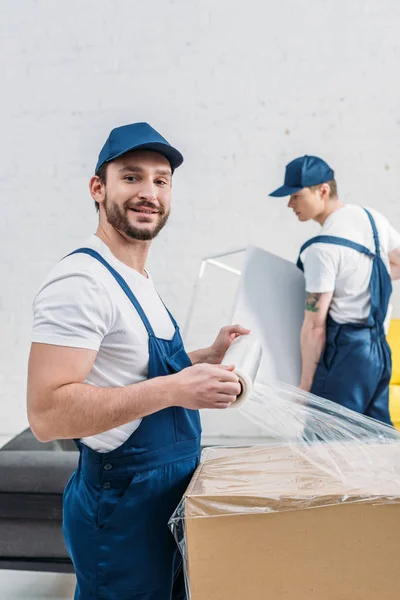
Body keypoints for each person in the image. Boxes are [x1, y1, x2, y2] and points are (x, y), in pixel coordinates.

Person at [27, 122, 248, 600]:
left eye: (160, 180)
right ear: (98, 187)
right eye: (131, 177)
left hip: (164, 497)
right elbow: (46, 414)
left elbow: (128, 369)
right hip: (122, 505)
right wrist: (176, 389)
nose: (149, 192)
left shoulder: (135, 276)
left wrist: (201, 359)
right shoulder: (81, 282)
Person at [269, 155, 400, 425]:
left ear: (323, 190)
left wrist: (305, 387)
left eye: (296, 195)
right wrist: (360, 279)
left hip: (346, 356)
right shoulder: (371, 217)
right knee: (376, 445)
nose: (290, 204)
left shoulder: (321, 250)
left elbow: (315, 327)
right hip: (380, 354)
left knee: (324, 444)